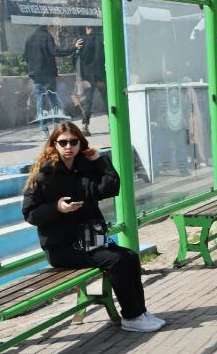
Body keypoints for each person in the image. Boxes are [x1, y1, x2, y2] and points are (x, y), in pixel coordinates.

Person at [21, 122, 163, 333]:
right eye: (63, 142)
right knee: (116, 260)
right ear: (54, 144)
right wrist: (57, 208)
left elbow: (110, 187)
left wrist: (101, 160)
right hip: (62, 248)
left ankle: (139, 312)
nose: (68, 147)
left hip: (90, 241)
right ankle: (131, 317)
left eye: (73, 142)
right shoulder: (44, 174)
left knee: (131, 256)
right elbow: (30, 213)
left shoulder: (83, 169)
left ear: (80, 143)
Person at [24, 23, 71, 131]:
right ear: (47, 27)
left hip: (35, 73)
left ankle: (43, 125)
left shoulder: (29, 38)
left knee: (40, 99)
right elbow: (55, 51)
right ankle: (56, 124)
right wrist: (72, 50)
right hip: (48, 73)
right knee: (53, 97)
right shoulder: (47, 36)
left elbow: (25, 56)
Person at [75, 25, 105, 136]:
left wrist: (81, 78)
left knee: (88, 102)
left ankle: (85, 125)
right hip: (100, 75)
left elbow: (77, 59)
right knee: (107, 99)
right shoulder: (101, 40)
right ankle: (112, 123)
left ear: (88, 28)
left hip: (87, 77)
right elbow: (102, 58)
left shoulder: (82, 41)